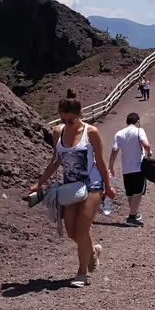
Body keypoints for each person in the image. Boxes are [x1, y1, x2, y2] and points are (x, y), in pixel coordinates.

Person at [30, 89, 116, 287]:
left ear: (80, 116)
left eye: (71, 120)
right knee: (71, 232)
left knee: (83, 228)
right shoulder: (57, 132)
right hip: (70, 187)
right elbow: (55, 161)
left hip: (92, 185)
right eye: (63, 120)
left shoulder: (91, 132)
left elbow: (101, 162)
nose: (66, 124)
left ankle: (81, 273)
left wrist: (108, 186)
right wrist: (40, 182)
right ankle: (92, 252)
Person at [109, 112, 152, 227]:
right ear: (138, 122)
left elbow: (114, 150)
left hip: (126, 168)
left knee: (130, 193)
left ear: (127, 122)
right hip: (138, 167)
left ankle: (134, 213)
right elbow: (145, 144)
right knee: (138, 193)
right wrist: (149, 152)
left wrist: (111, 166)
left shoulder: (119, 133)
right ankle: (132, 217)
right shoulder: (139, 131)